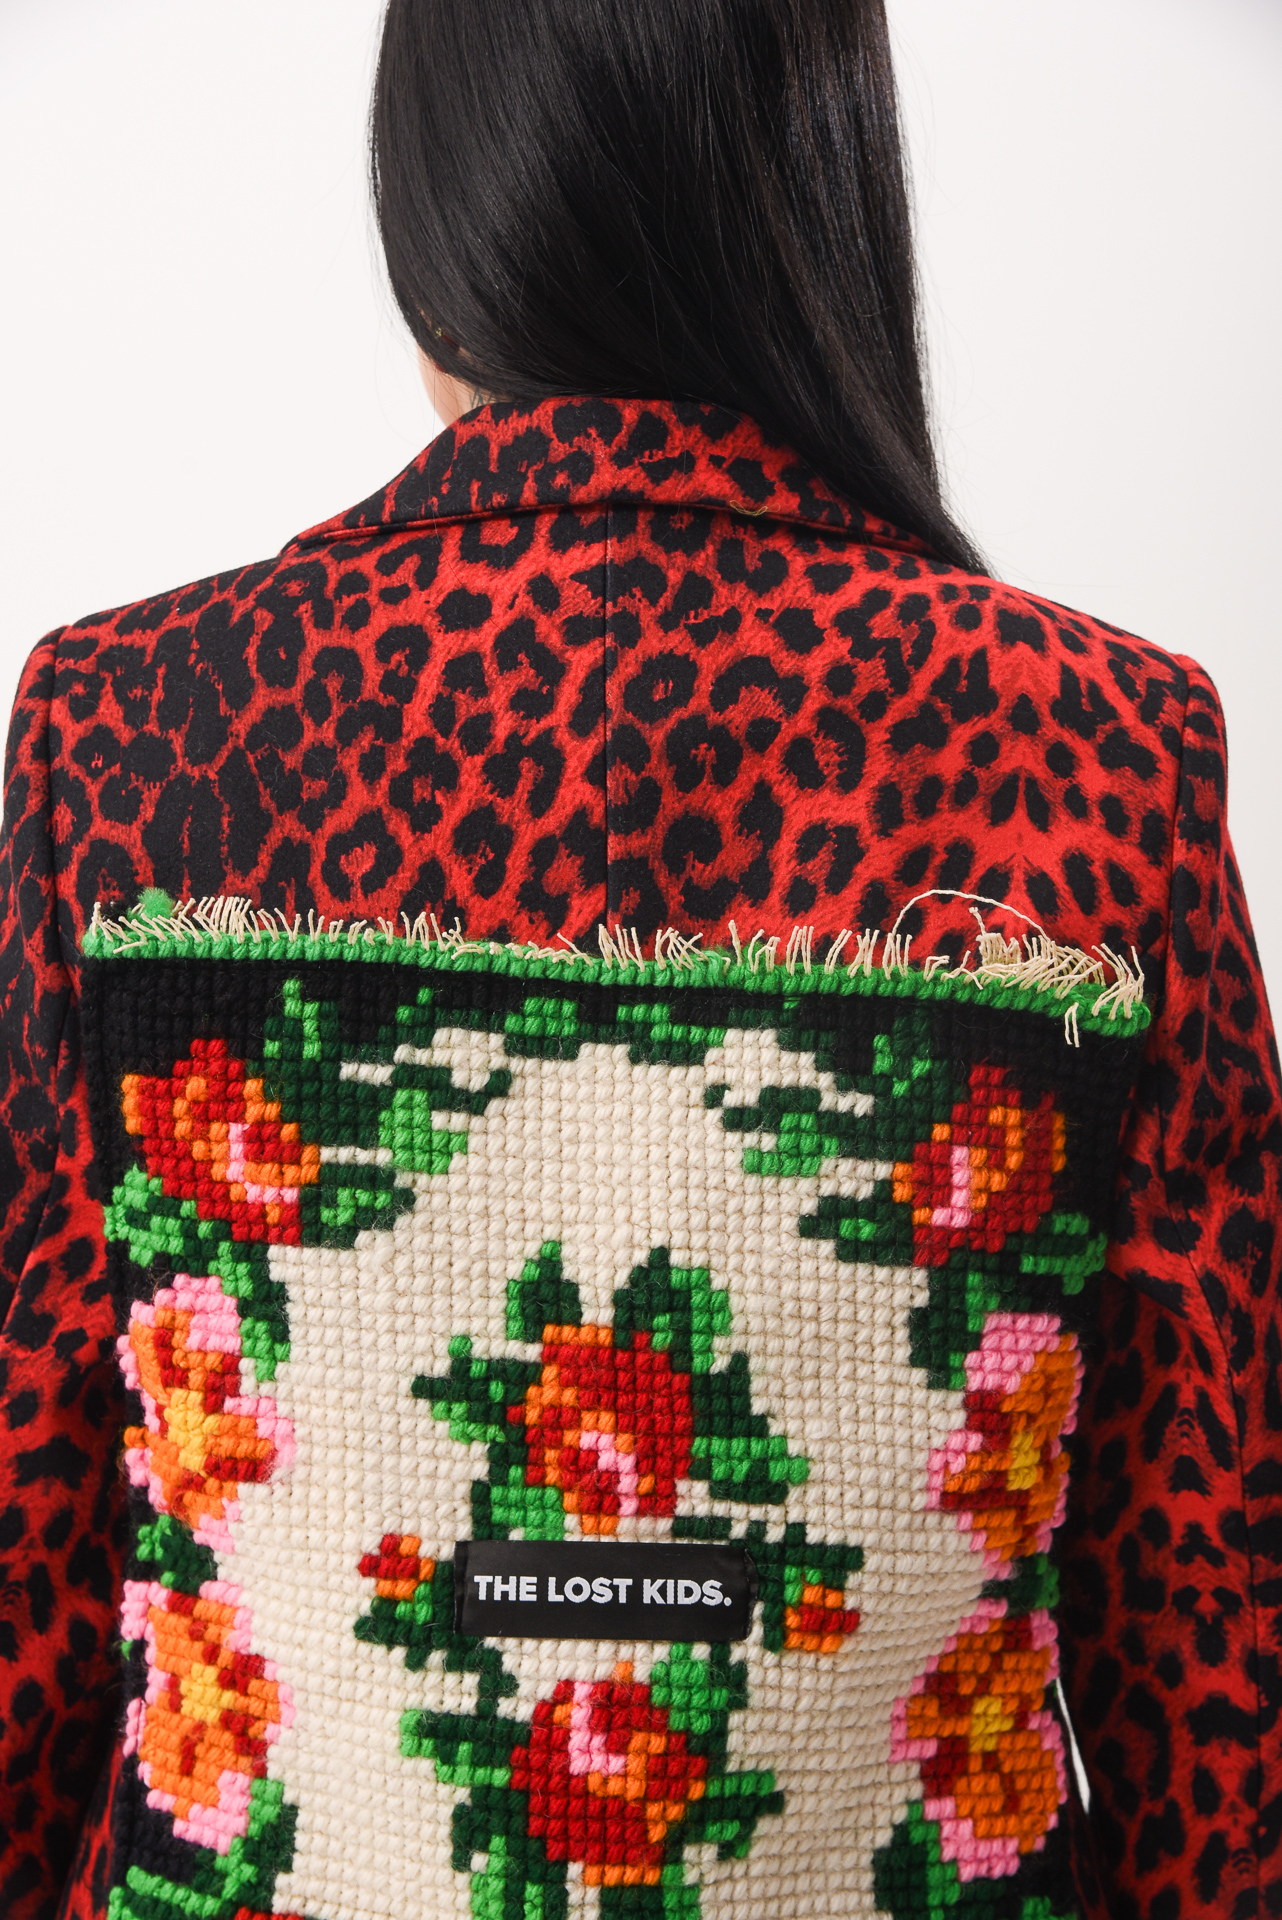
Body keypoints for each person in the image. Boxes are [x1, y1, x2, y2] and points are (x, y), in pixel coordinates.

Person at [0, 4, 1277, 1918]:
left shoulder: (131, 732)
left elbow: (29, 1554)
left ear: (438, 210)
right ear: (821, 198)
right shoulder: (1094, 745)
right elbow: (1210, 1636)